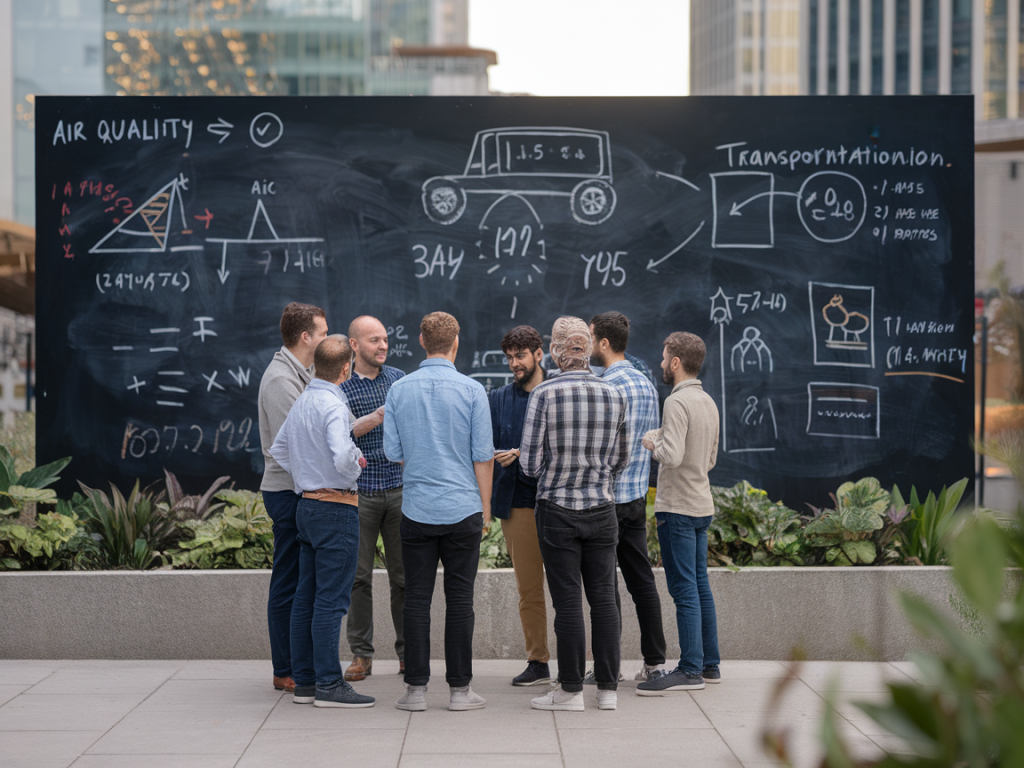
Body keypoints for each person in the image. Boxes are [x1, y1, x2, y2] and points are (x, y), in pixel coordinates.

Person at [383, 311, 493, 712]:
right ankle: (460, 691)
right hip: (463, 507)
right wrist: (485, 509)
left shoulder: (399, 389)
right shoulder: (472, 390)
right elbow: (483, 455)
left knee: (416, 599)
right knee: (460, 600)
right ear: (456, 342)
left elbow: (393, 452)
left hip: (416, 509)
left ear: (420, 341)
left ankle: (415, 691)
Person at [520, 317, 628, 712]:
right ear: (587, 348)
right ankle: (608, 691)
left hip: (557, 509)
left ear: (557, 350)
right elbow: (620, 460)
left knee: (567, 602)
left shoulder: (544, 395)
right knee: (603, 600)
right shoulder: (615, 394)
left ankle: (569, 691)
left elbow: (529, 465)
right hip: (602, 508)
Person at [269, 336, 375, 708]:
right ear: (346, 368)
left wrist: (306, 473)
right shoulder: (332, 403)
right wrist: (354, 462)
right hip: (335, 508)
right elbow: (343, 455)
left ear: (316, 365)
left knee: (306, 598)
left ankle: (307, 684)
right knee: (331, 602)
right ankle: (330, 685)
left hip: (306, 506)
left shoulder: (304, 401)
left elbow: (279, 450)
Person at [637, 332, 721, 695]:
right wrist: (665, 437)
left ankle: (689, 670)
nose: (660, 364)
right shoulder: (707, 401)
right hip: (702, 504)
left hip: (678, 509)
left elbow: (670, 456)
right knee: (700, 586)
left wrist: (652, 442)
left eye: (663, 357)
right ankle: (709, 663)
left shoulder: (675, 402)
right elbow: (710, 458)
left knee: (683, 588)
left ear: (675, 362)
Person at [589, 311, 667, 684]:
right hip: (637, 496)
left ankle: (609, 667)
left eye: (590, 338)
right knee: (641, 581)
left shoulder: (605, 386)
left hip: (606, 498)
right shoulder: (648, 385)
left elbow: (602, 448)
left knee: (604, 586)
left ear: (604, 343)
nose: (588, 345)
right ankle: (654, 663)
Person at [257, 301, 328, 694]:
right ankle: (284, 668)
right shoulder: (281, 381)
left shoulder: (302, 373)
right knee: (288, 582)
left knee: (299, 580)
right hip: (288, 493)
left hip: (297, 491)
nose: (327, 339)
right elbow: (297, 444)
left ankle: (296, 665)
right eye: (322, 333)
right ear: (306, 337)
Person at [340, 316, 405, 682]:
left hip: (399, 489)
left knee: (404, 578)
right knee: (358, 578)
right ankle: (361, 655)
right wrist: (380, 416)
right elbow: (338, 432)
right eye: (374, 340)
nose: (382, 346)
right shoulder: (340, 386)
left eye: (384, 339)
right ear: (354, 345)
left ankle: (408, 654)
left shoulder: (399, 379)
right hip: (359, 493)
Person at [488, 325, 551, 687]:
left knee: (571, 589)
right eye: (510, 358)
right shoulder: (498, 399)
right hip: (517, 505)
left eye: (520, 356)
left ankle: (584, 661)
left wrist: (525, 454)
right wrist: (501, 456)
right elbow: (488, 446)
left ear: (539, 354)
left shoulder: (558, 390)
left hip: (557, 502)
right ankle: (538, 661)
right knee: (529, 590)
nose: (514, 364)